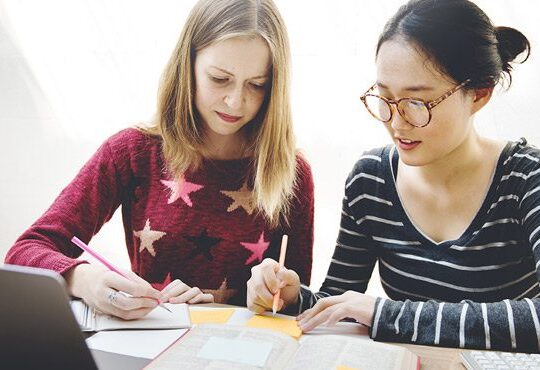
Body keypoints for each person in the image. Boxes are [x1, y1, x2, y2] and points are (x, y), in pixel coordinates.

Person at [247, 0, 538, 352]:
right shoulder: (371, 182)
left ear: (478, 94)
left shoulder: (525, 179)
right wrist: (292, 298)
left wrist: (389, 314)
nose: (396, 123)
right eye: (384, 97)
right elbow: (341, 303)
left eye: (418, 103)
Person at [6, 0, 314, 321]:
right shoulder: (132, 151)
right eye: (219, 78)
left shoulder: (292, 173)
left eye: (257, 85)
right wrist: (85, 279)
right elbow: (24, 252)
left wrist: (277, 294)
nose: (236, 101)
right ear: (188, 65)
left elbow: (295, 302)